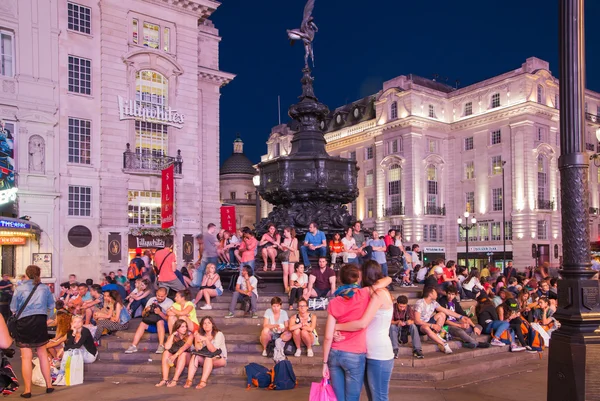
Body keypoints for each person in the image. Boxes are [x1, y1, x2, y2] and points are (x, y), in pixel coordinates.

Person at [322, 264, 391, 401]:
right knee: (352, 398)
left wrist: (324, 363)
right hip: (355, 353)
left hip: (335, 353)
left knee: (338, 398)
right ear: (357, 278)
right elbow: (387, 279)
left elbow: (328, 337)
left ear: (340, 279)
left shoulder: (334, 301)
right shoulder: (364, 293)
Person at [10, 265, 55, 397]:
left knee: (26, 357)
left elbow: (13, 308)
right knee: (42, 354)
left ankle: (28, 390)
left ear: (27, 274)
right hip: (40, 321)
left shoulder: (20, 288)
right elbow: (51, 308)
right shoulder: (45, 288)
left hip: (24, 323)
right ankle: (49, 385)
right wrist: (45, 319)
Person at [413, 287, 468, 354]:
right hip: (420, 326)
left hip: (428, 322)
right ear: (430, 294)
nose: (437, 294)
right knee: (426, 327)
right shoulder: (420, 303)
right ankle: (443, 344)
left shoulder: (433, 302)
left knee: (442, 314)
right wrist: (432, 325)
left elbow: (446, 311)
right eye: (435, 292)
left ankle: (437, 334)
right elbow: (417, 321)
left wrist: (461, 316)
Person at [125, 287, 174, 354]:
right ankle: (133, 345)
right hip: (152, 322)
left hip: (164, 325)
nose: (159, 298)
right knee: (142, 323)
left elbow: (170, 319)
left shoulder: (170, 302)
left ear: (166, 295)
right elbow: (143, 315)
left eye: (161, 296)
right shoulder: (151, 300)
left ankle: (161, 345)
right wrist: (146, 310)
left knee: (160, 322)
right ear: (156, 294)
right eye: (158, 296)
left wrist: (160, 313)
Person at [184, 316, 227, 389]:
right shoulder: (201, 334)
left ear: (212, 324)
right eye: (204, 323)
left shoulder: (218, 334)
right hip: (205, 357)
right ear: (202, 326)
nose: (206, 325)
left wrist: (206, 340)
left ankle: (203, 381)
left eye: (208, 323)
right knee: (195, 356)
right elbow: (198, 350)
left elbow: (214, 351)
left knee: (208, 357)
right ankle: (189, 380)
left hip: (218, 358)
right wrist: (197, 338)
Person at [155, 319, 193, 388]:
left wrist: (175, 355)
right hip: (176, 359)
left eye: (185, 326)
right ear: (177, 329)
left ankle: (175, 380)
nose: (185, 329)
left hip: (187, 358)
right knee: (166, 352)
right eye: (182, 327)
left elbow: (185, 347)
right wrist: (172, 335)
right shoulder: (174, 336)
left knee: (183, 354)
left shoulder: (189, 335)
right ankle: (165, 379)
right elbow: (167, 347)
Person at [279, 227, 299, 293]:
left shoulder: (295, 239)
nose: (284, 234)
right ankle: (286, 288)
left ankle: (291, 287)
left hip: (292, 257)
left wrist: (286, 246)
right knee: (285, 273)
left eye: (285, 232)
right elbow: (284, 250)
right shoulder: (285, 239)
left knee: (291, 273)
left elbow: (294, 249)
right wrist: (281, 247)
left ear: (289, 232)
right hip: (285, 257)